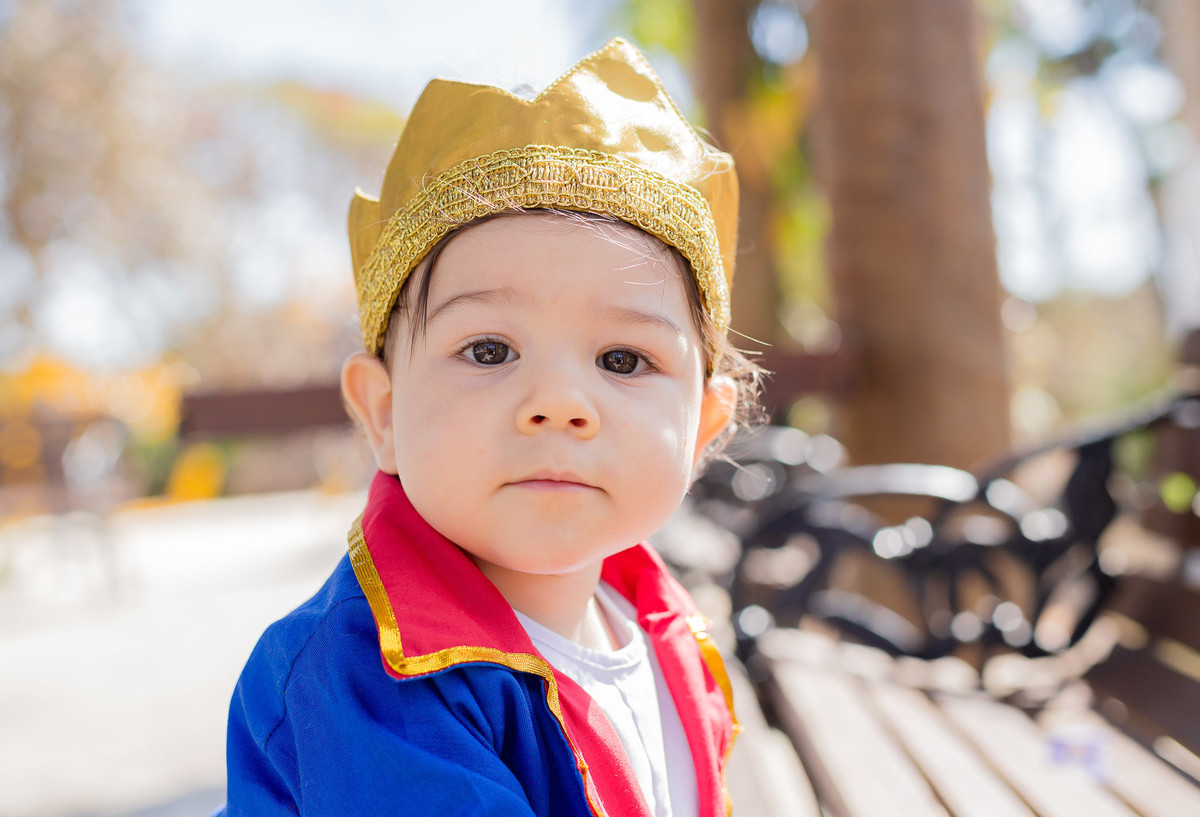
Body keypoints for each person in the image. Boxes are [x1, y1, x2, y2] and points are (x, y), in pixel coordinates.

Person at [218, 37, 761, 817]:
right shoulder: (361, 675)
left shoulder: (659, 619)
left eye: (623, 358)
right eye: (489, 349)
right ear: (385, 412)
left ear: (705, 424)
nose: (559, 401)